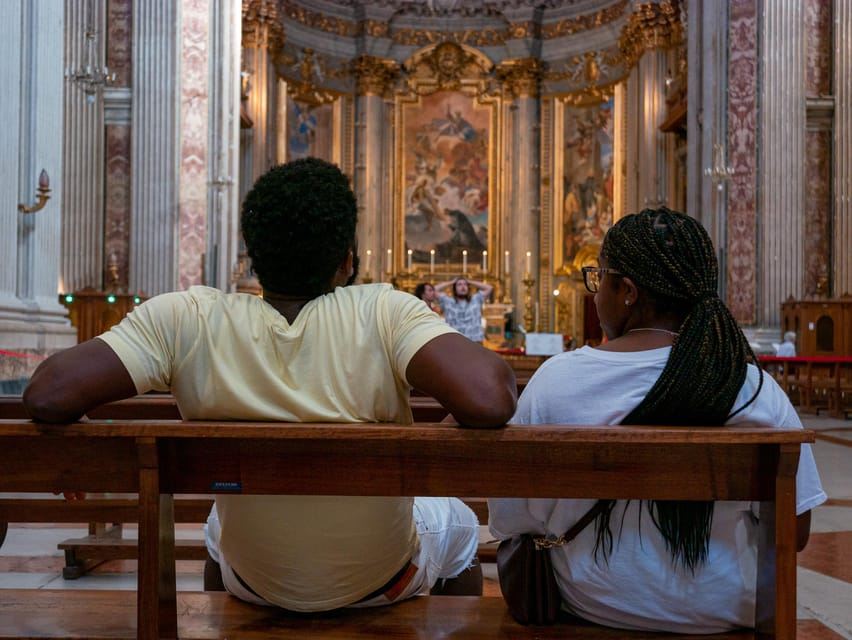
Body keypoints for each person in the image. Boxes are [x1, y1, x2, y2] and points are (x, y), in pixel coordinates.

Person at [23, 158, 517, 613]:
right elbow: (490, 397)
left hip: (251, 581)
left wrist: (80, 440)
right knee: (458, 523)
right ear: (347, 260)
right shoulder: (384, 312)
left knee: (219, 524)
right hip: (382, 580)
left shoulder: (186, 318)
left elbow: (47, 392)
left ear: (253, 256)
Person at [488, 207, 825, 634]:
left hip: (595, 604)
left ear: (627, 291)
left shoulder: (556, 380)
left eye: (599, 278)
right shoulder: (751, 386)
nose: (595, 293)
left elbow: (511, 519)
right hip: (723, 609)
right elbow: (794, 531)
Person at [434, 277, 493, 343]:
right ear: (454, 289)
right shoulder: (448, 301)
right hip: (455, 341)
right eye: (459, 284)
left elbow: (489, 288)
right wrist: (452, 282)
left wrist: (469, 281)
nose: (463, 287)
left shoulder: (476, 299)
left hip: (475, 340)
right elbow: (434, 289)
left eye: (465, 284)